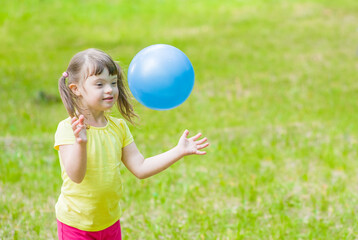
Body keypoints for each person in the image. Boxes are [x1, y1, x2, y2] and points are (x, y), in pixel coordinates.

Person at [54, 48, 209, 239]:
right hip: (75, 224)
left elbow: (141, 168)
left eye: (113, 82)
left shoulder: (118, 127)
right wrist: (80, 144)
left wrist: (178, 151)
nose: (110, 89)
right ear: (76, 89)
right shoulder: (69, 128)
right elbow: (76, 176)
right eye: (100, 84)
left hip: (109, 222)